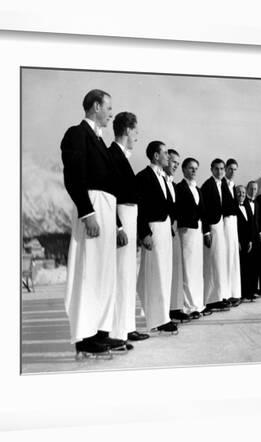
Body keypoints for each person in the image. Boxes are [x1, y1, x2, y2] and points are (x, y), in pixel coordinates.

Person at [61, 89, 127, 357]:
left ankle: (101, 332)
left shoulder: (99, 140)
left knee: (103, 274)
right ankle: (85, 336)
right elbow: (73, 175)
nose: (111, 113)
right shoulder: (77, 133)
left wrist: (118, 223)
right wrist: (88, 214)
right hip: (93, 207)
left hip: (107, 208)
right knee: (89, 273)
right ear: (96, 106)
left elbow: (111, 185)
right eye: (108, 108)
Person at [107, 112, 150, 343]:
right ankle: (116, 330)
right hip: (122, 218)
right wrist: (118, 227)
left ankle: (127, 326)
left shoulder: (122, 156)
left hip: (130, 218)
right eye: (135, 131)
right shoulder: (112, 155)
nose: (137, 136)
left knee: (128, 276)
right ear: (126, 130)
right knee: (120, 275)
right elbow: (108, 196)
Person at [136, 141, 178, 334]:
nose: (168, 157)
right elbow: (140, 208)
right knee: (156, 273)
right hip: (153, 229)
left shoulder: (164, 177)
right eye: (165, 153)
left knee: (165, 272)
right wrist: (144, 233)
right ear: (155, 156)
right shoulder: (143, 177)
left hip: (165, 229)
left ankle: (163, 315)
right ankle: (158, 319)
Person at [174, 157, 211, 319]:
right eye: (191, 168)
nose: (194, 171)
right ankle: (187, 306)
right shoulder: (179, 188)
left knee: (197, 269)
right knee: (187, 269)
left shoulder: (199, 189)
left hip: (197, 233)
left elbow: (204, 212)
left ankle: (197, 305)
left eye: (196, 168)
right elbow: (177, 210)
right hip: (186, 231)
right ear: (183, 170)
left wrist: (206, 232)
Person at [200, 159, 231, 311]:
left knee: (219, 263)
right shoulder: (207, 186)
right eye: (216, 169)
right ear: (211, 170)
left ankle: (219, 296)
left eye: (222, 169)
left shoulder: (222, 184)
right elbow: (203, 211)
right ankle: (211, 299)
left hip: (220, 226)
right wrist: (206, 231)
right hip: (212, 227)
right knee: (212, 263)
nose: (219, 172)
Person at [164, 149, 190, 323]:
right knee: (165, 271)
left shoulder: (173, 185)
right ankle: (164, 310)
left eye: (178, 164)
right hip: (162, 229)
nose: (175, 166)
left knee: (176, 270)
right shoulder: (161, 181)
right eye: (173, 162)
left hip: (174, 230)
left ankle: (175, 307)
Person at [221, 159, 242, 307]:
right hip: (224, 224)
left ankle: (234, 293)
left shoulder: (233, 186)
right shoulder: (221, 184)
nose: (232, 172)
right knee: (226, 259)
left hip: (233, 225)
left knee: (233, 258)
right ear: (226, 169)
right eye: (230, 169)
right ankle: (225, 294)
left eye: (235, 169)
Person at [235, 183, 260, 302]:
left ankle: (250, 292)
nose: (241, 195)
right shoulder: (234, 208)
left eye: (243, 193)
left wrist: (250, 240)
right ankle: (242, 293)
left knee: (250, 267)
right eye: (239, 192)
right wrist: (238, 241)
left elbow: (250, 224)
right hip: (239, 242)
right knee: (242, 268)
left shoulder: (246, 206)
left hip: (248, 242)